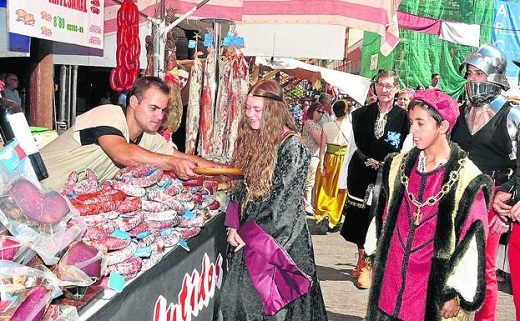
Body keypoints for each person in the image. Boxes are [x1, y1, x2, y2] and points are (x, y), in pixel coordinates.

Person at [364, 88, 491, 321]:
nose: (412, 130)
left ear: (442, 127)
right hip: (392, 280)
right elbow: (381, 216)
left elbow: (472, 241)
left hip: (434, 289)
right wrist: (374, 255)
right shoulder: (397, 165)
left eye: (420, 123)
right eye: (411, 122)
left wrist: (456, 293)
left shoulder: (468, 179)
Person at [214, 79, 328, 321]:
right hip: (247, 235)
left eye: (257, 110)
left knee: (273, 309)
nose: (250, 115)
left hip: (280, 244)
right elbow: (238, 185)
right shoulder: (250, 139)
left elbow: (283, 205)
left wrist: (247, 234)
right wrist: (233, 223)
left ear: (274, 111)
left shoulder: (292, 145)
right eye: (247, 108)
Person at [40, 76, 219, 190]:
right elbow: (122, 153)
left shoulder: (149, 137)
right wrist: (173, 163)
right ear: (133, 102)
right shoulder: (108, 113)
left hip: (61, 203)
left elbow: (186, 159)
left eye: (163, 110)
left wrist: (224, 171)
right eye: (154, 108)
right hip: (34, 186)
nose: (160, 116)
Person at [451, 43, 517, 321]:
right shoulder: (459, 112)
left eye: (479, 73)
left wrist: (510, 201)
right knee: (453, 263)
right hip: (458, 197)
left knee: (484, 268)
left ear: (494, 76)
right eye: (469, 73)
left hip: (492, 203)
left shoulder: (510, 115)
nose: (472, 79)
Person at [340, 70, 410, 289]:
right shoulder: (360, 115)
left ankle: (371, 264)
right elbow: (351, 147)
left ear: (396, 88)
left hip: (388, 176)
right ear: (375, 87)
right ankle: (362, 260)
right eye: (381, 84)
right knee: (360, 217)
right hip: (360, 172)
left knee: (380, 217)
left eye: (389, 86)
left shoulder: (406, 119)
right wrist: (343, 179)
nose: (385, 90)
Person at [314, 100, 352, 232]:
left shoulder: (327, 126)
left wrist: (321, 165)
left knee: (325, 187)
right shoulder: (352, 127)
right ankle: (333, 219)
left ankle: (323, 213)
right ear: (347, 111)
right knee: (340, 189)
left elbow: (322, 148)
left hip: (329, 158)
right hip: (344, 161)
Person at [301, 102, 324, 215]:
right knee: (308, 182)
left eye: (322, 112)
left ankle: (307, 203)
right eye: (318, 111)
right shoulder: (309, 124)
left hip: (316, 155)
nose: (320, 114)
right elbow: (320, 141)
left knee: (311, 181)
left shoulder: (317, 125)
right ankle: (307, 204)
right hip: (310, 156)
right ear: (312, 111)